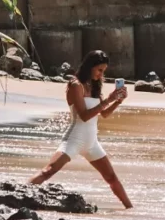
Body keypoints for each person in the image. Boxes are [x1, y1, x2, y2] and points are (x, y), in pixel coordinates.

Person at [29, 50, 133, 209]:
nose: (101, 74)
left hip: (92, 142)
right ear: (89, 66)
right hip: (74, 139)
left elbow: (103, 114)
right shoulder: (75, 85)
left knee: (111, 177)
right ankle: (22, 192)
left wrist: (118, 101)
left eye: (104, 71)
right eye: (99, 70)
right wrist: (109, 99)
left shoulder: (94, 84)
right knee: (48, 171)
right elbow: (84, 116)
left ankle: (130, 209)